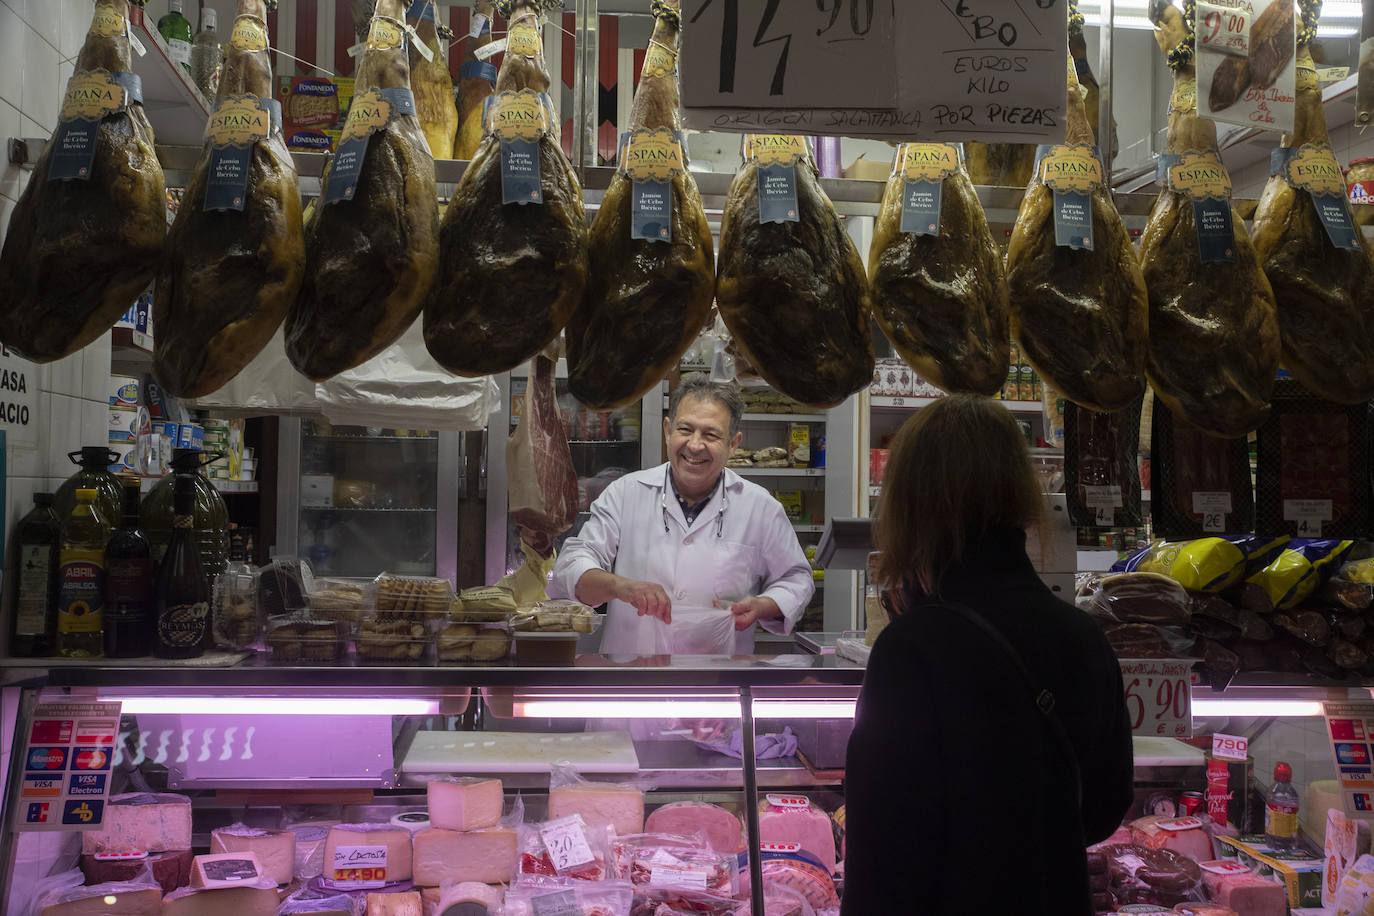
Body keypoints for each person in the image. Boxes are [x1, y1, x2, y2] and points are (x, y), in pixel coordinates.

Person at [842, 395, 1133, 915]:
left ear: (912, 503)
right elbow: (1107, 808)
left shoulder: (913, 647)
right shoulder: (1082, 633)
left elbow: (882, 854)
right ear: (1019, 496)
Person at [548, 375, 815, 655]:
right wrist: (619, 586)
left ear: (733, 443)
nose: (695, 445)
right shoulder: (626, 493)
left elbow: (796, 579)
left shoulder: (760, 507)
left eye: (711, 435)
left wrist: (763, 605)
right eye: (685, 429)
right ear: (667, 429)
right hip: (632, 679)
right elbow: (573, 564)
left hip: (718, 683)